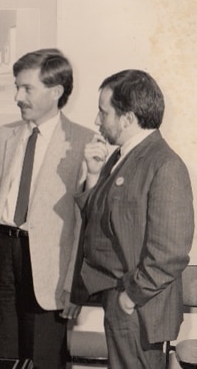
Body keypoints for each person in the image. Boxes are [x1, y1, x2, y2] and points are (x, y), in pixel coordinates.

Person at [0, 48, 94, 368]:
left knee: (44, 359)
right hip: (3, 256)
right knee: (5, 356)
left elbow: (86, 224)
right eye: (16, 87)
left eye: (27, 88)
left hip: (50, 268)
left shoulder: (85, 142)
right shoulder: (5, 135)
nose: (17, 97)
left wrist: (75, 284)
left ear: (56, 91)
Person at [71, 69, 194, 369]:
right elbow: (96, 217)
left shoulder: (165, 165)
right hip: (122, 300)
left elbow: (171, 253)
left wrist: (130, 297)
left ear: (127, 118)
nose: (98, 121)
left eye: (104, 112)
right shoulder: (121, 157)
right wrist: (93, 175)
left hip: (139, 308)